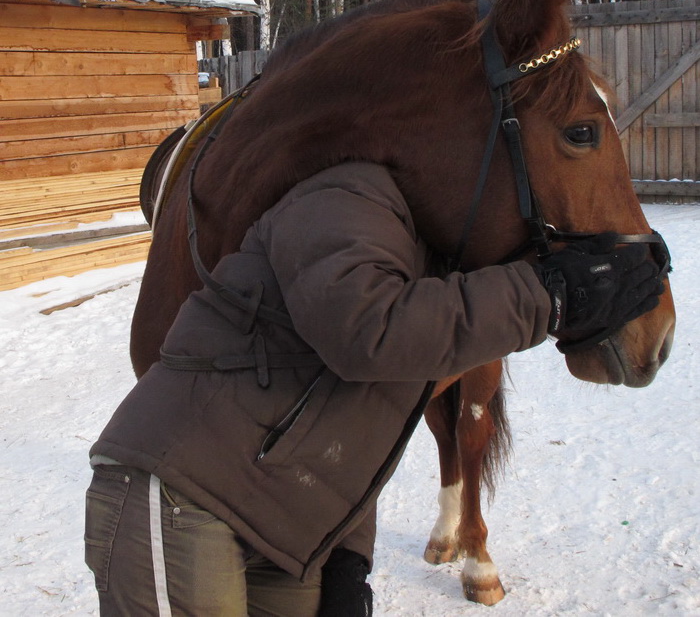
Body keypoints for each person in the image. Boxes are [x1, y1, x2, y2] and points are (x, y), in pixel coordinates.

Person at [85, 161, 662, 617]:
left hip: (291, 533)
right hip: (187, 493)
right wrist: (552, 293)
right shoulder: (341, 197)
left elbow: (364, 427)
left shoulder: (440, 260)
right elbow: (369, 335)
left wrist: (348, 562)